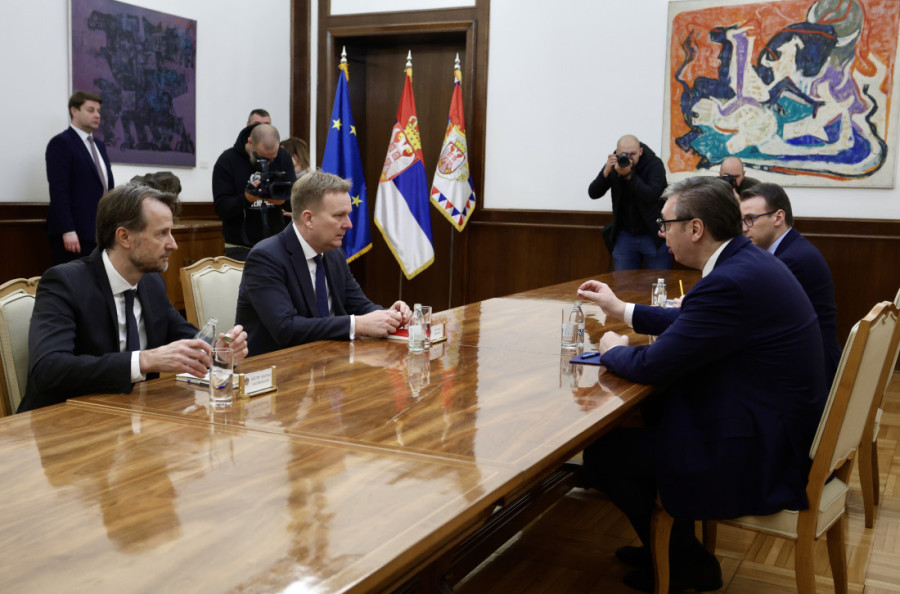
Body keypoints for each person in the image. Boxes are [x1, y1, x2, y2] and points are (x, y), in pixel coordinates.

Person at [577, 177, 827, 593]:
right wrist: (621, 309)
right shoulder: (745, 262)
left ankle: (686, 564)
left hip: (762, 450)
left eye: (665, 224)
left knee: (608, 454)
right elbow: (693, 320)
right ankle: (669, 549)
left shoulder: (730, 279)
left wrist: (612, 350)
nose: (661, 233)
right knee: (652, 414)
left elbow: (654, 365)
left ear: (695, 228)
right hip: (775, 420)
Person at [18, 184, 248, 413]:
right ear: (124, 237)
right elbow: (48, 369)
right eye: (162, 233)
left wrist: (218, 352)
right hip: (65, 419)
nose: (173, 244)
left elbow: (185, 338)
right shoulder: (65, 283)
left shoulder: (151, 282)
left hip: (133, 415)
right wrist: (144, 361)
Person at [236, 170, 411, 356]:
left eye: (348, 215)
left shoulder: (334, 254)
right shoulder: (266, 257)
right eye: (339, 215)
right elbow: (286, 329)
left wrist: (390, 316)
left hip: (329, 359)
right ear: (308, 219)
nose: (349, 224)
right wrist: (357, 324)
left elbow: (359, 306)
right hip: (278, 365)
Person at [740, 182, 841, 384]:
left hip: (811, 369)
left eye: (750, 219)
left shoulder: (792, 260)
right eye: (740, 220)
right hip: (803, 357)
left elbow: (753, 315)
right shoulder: (788, 249)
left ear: (778, 217)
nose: (743, 228)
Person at [46, 91, 115, 264]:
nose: (97, 115)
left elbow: (106, 187)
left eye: (98, 111)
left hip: (99, 233)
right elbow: (58, 190)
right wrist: (68, 230)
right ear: (74, 111)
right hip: (75, 235)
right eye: (91, 110)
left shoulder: (99, 145)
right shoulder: (61, 143)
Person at [212, 123, 297, 261]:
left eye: (272, 159)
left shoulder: (283, 157)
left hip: (278, 245)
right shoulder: (227, 161)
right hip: (240, 247)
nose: (268, 164)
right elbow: (221, 209)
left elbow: (296, 200)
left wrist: (282, 200)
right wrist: (246, 199)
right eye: (262, 158)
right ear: (250, 142)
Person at [588, 134, 669, 270]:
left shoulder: (654, 164)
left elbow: (651, 196)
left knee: (658, 281)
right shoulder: (616, 164)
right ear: (616, 153)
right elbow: (593, 193)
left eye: (633, 154)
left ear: (640, 151)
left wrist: (629, 175)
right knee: (622, 281)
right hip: (625, 235)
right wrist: (605, 172)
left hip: (654, 234)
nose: (629, 158)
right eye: (625, 154)